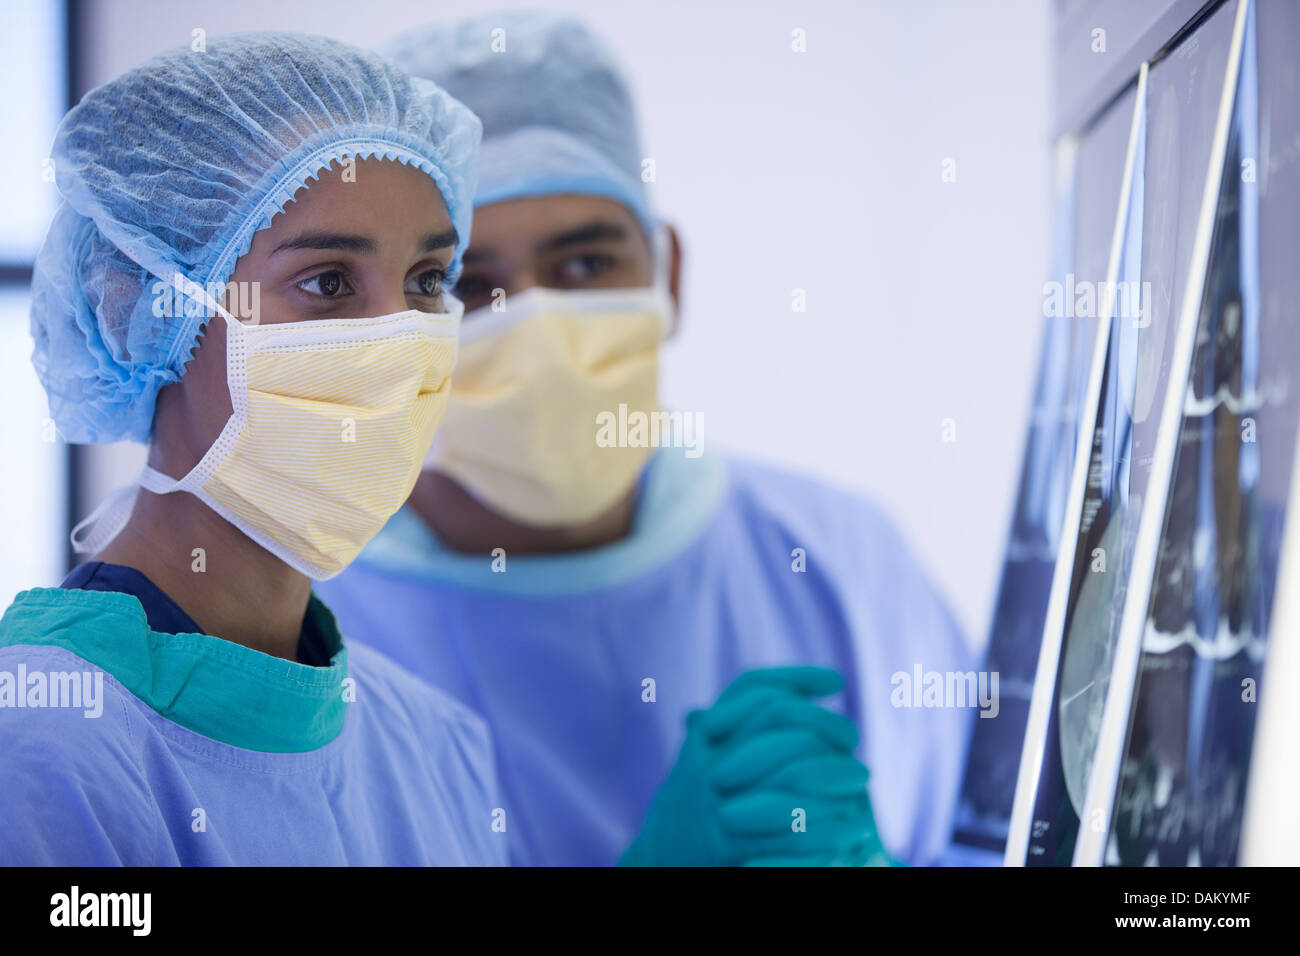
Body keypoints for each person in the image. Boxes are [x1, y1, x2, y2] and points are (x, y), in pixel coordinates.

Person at [317, 13, 974, 867]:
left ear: (668, 271)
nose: (539, 324)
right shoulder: (304, 637)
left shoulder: (842, 565)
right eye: (465, 285)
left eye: (586, 264)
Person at [0, 32, 506, 865]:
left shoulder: (434, 743)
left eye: (426, 281)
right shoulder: (45, 747)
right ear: (144, 304)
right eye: (328, 283)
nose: (398, 342)